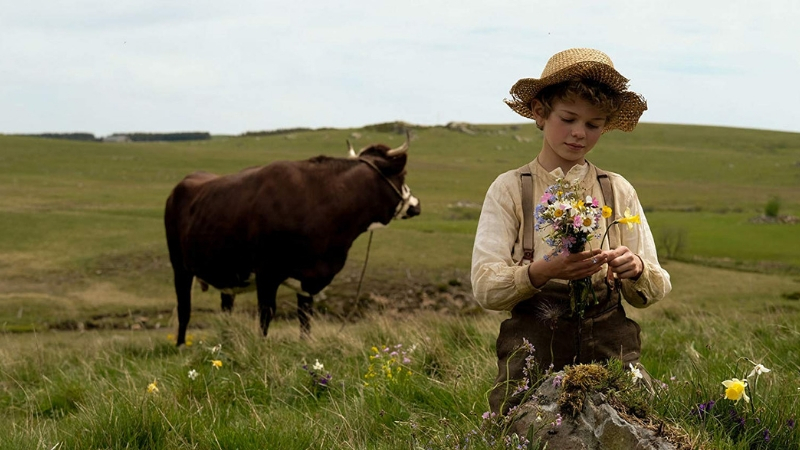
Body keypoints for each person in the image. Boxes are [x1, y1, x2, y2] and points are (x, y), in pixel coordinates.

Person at [470, 48, 672, 414]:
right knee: (522, 431)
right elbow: (485, 287)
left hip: (610, 342)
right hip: (534, 345)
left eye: (593, 125)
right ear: (539, 112)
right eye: (568, 118)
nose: (579, 133)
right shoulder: (510, 188)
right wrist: (540, 272)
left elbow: (654, 289)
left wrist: (636, 268)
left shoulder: (618, 189)